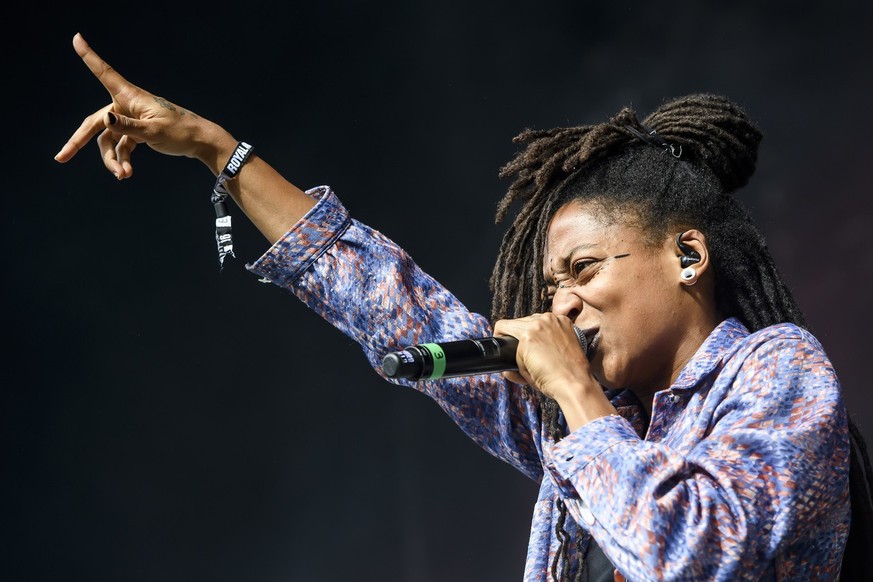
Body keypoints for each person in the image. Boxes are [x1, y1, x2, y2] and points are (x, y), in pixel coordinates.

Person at [55, 33, 873, 581]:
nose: (564, 305)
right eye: (552, 287)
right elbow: (387, 298)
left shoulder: (777, 371)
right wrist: (214, 148)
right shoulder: (583, 420)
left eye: (583, 269)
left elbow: (693, 552)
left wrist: (578, 398)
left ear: (686, 256)